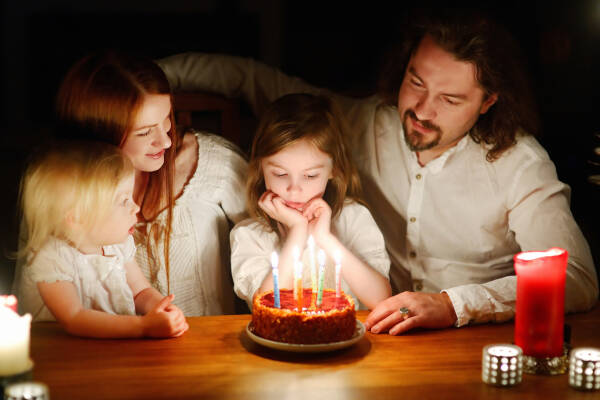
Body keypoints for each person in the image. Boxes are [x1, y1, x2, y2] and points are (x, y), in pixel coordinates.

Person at [157, 10, 598, 332]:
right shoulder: (366, 122)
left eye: (450, 99)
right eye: (417, 82)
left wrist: (453, 305)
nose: (422, 110)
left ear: (488, 102)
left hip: (479, 336)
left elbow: (577, 279)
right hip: (381, 335)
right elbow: (253, 80)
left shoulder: (520, 163)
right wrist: (144, 82)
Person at [13, 51, 248, 316]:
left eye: (167, 119)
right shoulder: (61, 188)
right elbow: (33, 308)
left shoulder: (215, 164)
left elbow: (265, 254)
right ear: (100, 133)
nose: (166, 141)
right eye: (145, 132)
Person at [230, 93, 391, 309]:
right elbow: (268, 307)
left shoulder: (353, 218)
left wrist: (324, 237)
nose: (294, 190)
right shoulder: (249, 236)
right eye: (280, 174)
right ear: (261, 167)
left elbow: (381, 299)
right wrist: (298, 232)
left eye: (310, 176)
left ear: (334, 169)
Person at [17, 141, 188, 338]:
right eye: (124, 201)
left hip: (114, 348)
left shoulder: (118, 245)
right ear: (77, 218)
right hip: (65, 356)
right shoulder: (52, 259)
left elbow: (140, 292)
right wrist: (143, 326)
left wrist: (162, 310)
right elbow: (74, 318)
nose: (136, 207)